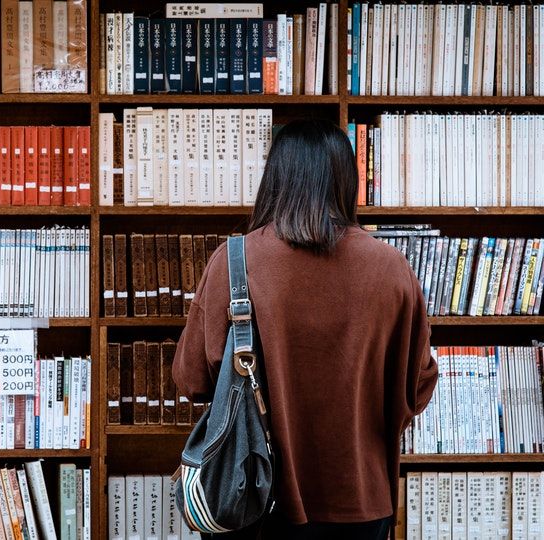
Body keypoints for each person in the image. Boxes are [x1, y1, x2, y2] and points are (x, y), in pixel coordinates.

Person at [171, 118, 439, 539]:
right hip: (362, 501)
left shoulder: (233, 260)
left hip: (253, 497)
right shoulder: (392, 269)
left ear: (274, 178)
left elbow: (192, 380)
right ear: (346, 181)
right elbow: (418, 387)